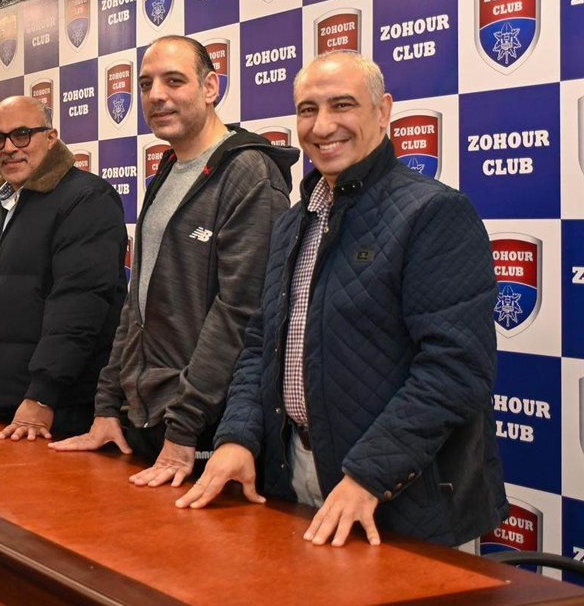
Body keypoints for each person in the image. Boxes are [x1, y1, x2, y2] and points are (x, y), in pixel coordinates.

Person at [178, 51, 509, 548]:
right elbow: (260, 345)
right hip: (294, 477)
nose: (322, 126)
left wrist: (368, 476)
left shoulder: (435, 213)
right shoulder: (294, 222)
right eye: (308, 110)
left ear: (383, 110)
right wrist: (238, 436)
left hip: (399, 497)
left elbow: (456, 369)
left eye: (342, 105)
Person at [49, 36, 296, 485]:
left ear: (210, 87)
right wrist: (107, 406)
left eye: (174, 81)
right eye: (146, 84)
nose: (156, 95)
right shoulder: (168, 169)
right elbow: (137, 304)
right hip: (145, 420)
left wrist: (186, 426)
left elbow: (240, 313)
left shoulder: (249, 173)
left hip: (206, 428)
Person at [0, 97, 127, 440]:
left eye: (22, 134)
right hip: (7, 410)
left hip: (62, 411)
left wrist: (42, 395)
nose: (8, 148)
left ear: (51, 138)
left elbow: (79, 306)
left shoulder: (86, 199)